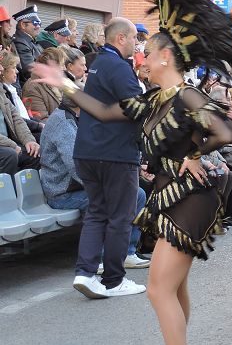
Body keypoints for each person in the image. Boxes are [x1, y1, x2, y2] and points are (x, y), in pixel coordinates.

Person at [33, 0, 232, 345]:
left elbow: (229, 132)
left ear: (166, 56)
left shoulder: (187, 95)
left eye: (147, 54)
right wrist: (61, 82)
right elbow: (105, 111)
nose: (141, 60)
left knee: (156, 288)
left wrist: (194, 154)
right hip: (174, 194)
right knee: (174, 287)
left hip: (192, 197)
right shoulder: (153, 98)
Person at [66, 18, 147, 299]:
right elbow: (137, 109)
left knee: (97, 214)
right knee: (120, 218)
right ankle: (114, 279)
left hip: (87, 150)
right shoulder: (118, 67)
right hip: (115, 152)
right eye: (135, 37)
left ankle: (86, 274)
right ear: (121, 38)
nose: (138, 42)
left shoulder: (99, 63)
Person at [38, 96, 149, 268]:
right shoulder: (62, 123)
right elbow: (77, 167)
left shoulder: (80, 118)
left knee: (137, 194)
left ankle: (127, 252)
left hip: (81, 186)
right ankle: (102, 259)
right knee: (108, 200)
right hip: (63, 192)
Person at [0, 62, 40, 176]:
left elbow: (16, 118)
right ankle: (6, 193)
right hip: (5, 146)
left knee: (34, 153)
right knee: (9, 155)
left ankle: (27, 193)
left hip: (7, 144)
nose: (2, 68)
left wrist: (29, 140)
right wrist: (12, 145)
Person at [21, 47, 66, 122]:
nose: (64, 68)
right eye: (62, 65)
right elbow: (41, 120)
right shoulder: (33, 88)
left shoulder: (58, 83)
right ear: (51, 67)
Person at [12, 5, 43, 84]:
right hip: (31, 88)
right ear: (23, 25)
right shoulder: (20, 42)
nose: (38, 26)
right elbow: (30, 70)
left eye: (39, 23)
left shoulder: (31, 41)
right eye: (35, 23)